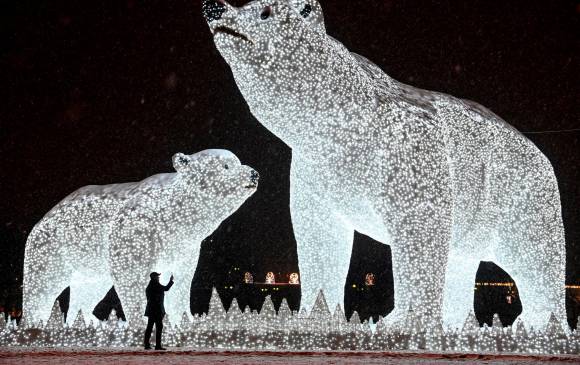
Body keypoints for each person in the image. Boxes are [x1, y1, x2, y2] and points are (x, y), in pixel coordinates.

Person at [144, 272, 174, 350]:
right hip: (156, 310)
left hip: (152, 310)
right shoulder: (155, 285)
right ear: (154, 277)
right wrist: (171, 281)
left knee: (150, 327)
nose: (158, 278)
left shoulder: (151, 285)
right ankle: (157, 345)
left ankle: (147, 344)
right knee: (159, 327)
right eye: (157, 276)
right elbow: (166, 288)